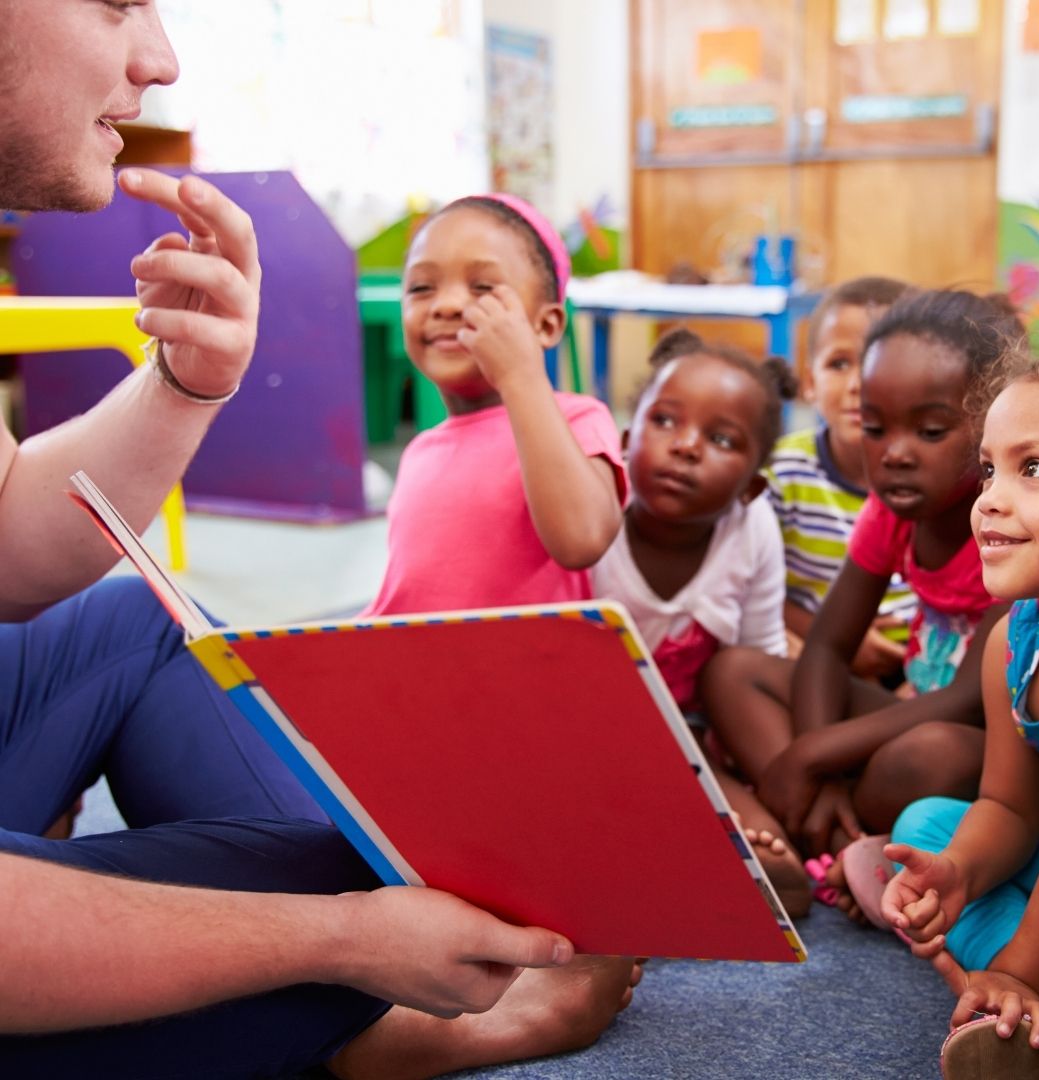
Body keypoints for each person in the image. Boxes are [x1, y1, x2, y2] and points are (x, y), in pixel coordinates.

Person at [0, 2, 635, 1076]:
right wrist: (341, 943)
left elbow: (13, 536)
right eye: (113, 0)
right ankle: (361, 1022)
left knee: (150, 625)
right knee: (363, 905)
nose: (161, 58)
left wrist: (185, 384)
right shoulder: (428, 452)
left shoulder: (556, 420)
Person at [703, 289, 1022, 918]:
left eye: (929, 431)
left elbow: (969, 700)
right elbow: (827, 646)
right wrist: (819, 758)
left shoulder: (1006, 523)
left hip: (985, 748)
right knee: (733, 671)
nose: (894, 453)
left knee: (932, 753)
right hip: (902, 716)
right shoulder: (892, 511)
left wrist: (811, 753)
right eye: (875, 429)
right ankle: (820, 832)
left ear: (993, 429)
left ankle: (799, 824)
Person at [881, 345, 1039, 1078]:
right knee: (927, 827)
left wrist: (1021, 969)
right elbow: (1010, 806)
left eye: (1036, 468)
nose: (989, 498)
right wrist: (959, 873)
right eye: (990, 468)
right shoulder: (1015, 642)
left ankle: (1028, 991)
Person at [590, 328, 812, 916]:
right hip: (586, 733)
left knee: (781, 876)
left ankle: (709, 850)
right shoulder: (592, 511)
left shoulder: (753, 527)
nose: (686, 446)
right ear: (626, 440)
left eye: (721, 439)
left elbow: (759, 654)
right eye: (665, 421)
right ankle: (667, 856)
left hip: (690, 740)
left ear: (750, 487)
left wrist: (741, 766)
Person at [364, 192, 626, 617]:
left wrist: (520, 374)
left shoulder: (577, 420)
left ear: (545, 325)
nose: (447, 305)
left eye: (483, 288)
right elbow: (401, 603)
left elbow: (582, 540)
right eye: (421, 287)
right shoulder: (420, 453)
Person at [765, 276, 917, 677]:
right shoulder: (781, 471)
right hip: (814, 656)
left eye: (880, 362)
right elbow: (747, 588)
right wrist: (831, 638)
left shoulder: (937, 477)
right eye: (839, 364)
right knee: (735, 671)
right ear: (809, 383)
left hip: (921, 668)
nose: (857, 384)